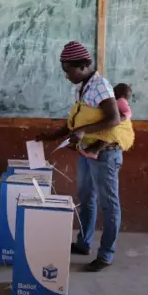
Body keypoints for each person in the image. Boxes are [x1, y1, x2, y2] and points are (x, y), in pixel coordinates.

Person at [37, 41, 134, 272]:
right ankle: (84, 243)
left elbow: (112, 119)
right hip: (88, 153)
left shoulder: (100, 86)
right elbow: (77, 122)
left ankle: (106, 254)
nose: (66, 75)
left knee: (109, 204)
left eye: (68, 69)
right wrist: (51, 136)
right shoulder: (83, 86)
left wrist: (83, 132)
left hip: (105, 155)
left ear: (82, 66)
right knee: (86, 198)